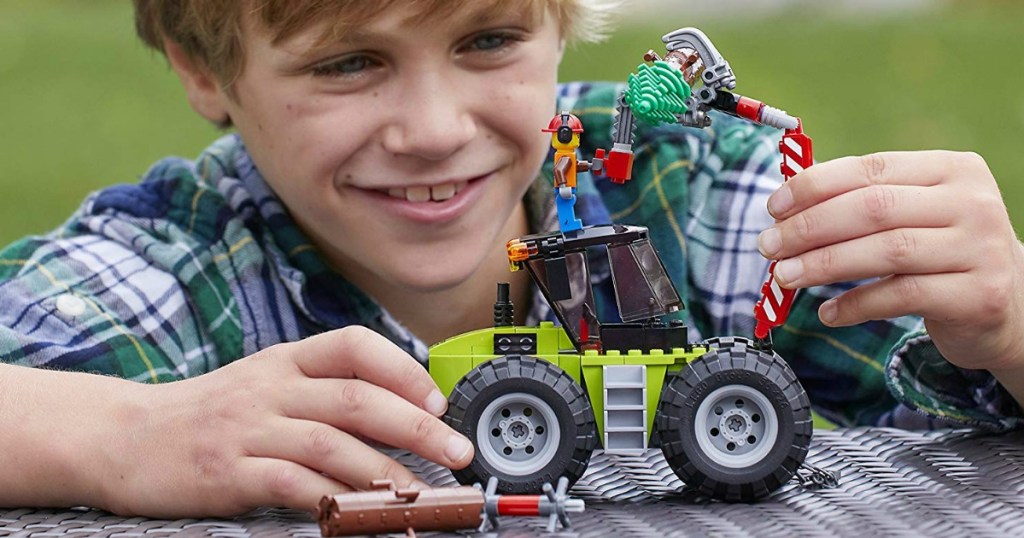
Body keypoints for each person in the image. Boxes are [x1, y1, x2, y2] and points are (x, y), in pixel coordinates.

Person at [1, 0, 1021, 519]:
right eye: (350, 62)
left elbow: (964, 349)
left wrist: (1010, 321)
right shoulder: (187, 274)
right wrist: (127, 430)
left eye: (487, 39)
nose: (434, 130)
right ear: (202, 66)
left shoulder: (703, 194)